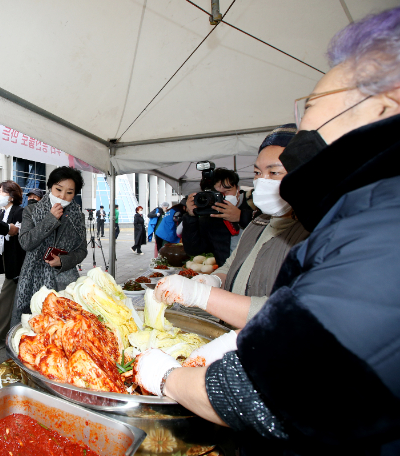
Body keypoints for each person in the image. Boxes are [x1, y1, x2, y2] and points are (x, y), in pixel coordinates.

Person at [136, 8, 400, 454]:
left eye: (312, 105)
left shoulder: (381, 229)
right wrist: (211, 282)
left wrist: (166, 377)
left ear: (385, 103)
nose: (304, 129)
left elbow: (267, 392)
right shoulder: (354, 213)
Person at [154, 124, 308, 328]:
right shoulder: (258, 223)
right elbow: (231, 265)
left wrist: (200, 295)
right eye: (257, 173)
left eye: (274, 173)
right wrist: (215, 281)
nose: (263, 181)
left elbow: (289, 314)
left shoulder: (314, 233)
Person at [12, 166, 88, 326]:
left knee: (64, 327)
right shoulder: (31, 211)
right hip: (33, 278)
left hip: (65, 280)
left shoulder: (78, 217)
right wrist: (50, 219)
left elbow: (82, 250)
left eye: (69, 192)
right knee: (31, 326)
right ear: (50, 187)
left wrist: (63, 261)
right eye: (58, 189)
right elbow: (25, 242)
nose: (62, 196)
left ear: (75, 194)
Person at [181, 168, 247, 266]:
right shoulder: (209, 217)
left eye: (227, 191)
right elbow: (193, 250)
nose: (223, 197)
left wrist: (242, 217)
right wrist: (191, 217)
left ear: (237, 189)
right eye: (217, 194)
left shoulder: (254, 208)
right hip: (226, 272)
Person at [0, 180, 26, 344]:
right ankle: (12, 332)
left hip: (15, 263)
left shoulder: (20, 212)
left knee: (5, 298)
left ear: (11, 196)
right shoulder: (3, 212)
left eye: (2, 192)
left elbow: (17, 235)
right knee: (13, 300)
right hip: (4, 260)